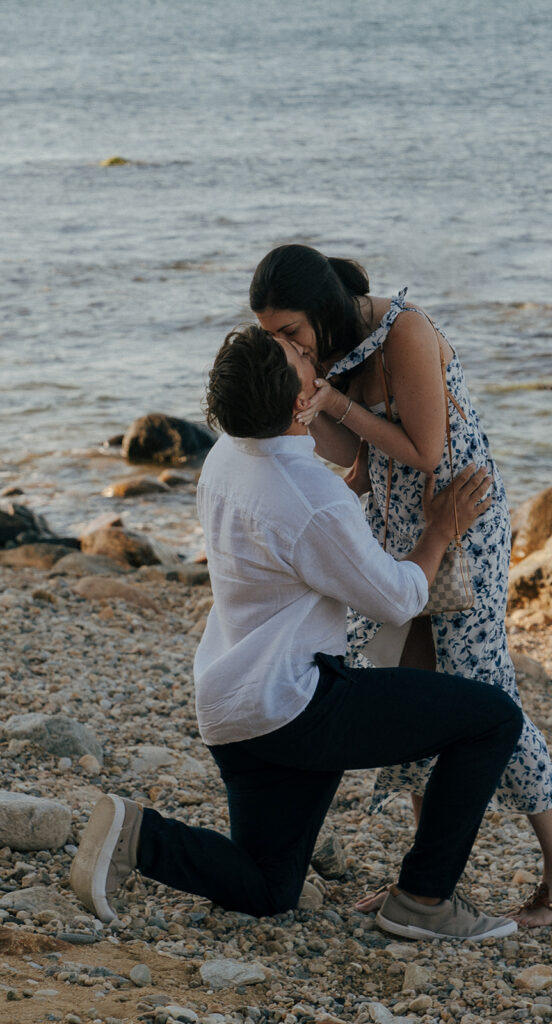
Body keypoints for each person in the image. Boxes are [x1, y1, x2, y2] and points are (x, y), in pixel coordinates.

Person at [70, 325, 524, 942]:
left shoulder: (227, 455)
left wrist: (349, 490)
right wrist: (439, 528)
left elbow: (289, 535)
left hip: (234, 711)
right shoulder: (309, 497)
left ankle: (138, 834)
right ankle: (423, 898)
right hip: (296, 709)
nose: (316, 362)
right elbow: (396, 598)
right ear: (296, 403)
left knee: (268, 888)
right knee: (492, 717)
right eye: (304, 362)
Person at [250, 245, 552, 928]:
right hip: (396, 533)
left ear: (320, 308)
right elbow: (354, 457)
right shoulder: (328, 348)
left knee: (482, 687)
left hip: (459, 526)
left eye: (288, 332)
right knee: (414, 694)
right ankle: (427, 883)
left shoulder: (404, 330)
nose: (283, 344)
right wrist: (311, 398)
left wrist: (335, 405)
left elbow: (424, 450)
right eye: (271, 336)